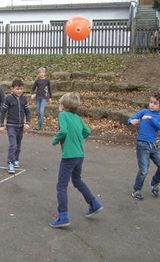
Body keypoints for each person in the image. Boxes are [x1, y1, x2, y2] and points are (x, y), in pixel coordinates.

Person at [49, 92, 103, 228]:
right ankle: (94, 203)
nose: (59, 107)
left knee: (61, 186)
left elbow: (63, 131)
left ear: (64, 106)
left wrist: (55, 140)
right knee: (77, 180)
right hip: (80, 155)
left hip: (69, 156)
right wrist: (77, 140)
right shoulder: (77, 117)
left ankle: (63, 216)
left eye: (60, 104)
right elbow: (87, 131)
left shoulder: (63, 115)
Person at [128, 92, 160, 201]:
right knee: (144, 170)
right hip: (142, 144)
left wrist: (151, 118)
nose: (152, 105)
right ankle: (136, 190)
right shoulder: (144, 112)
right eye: (150, 102)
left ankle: (155, 182)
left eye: (155, 103)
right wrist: (132, 121)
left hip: (154, 146)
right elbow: (131, 118)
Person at [0, 79, 31, 174]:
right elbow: (3, 112)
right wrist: (1, 125)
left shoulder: (24, 99)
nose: (19, 91)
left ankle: (16, 159)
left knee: (18, 144)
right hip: (11, 125)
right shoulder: (9, 99)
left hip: (20, 126)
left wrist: (27, 122)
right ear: (12, 89)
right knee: (13, 145)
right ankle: (10, 163)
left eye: (21, 89)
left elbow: (27, 112)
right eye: (17, 89)